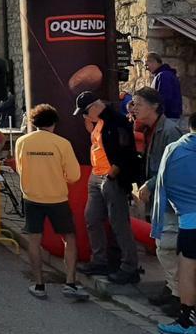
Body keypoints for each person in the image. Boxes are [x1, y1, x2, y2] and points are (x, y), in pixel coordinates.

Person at [15, 104, 88, 300]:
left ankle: (39, 285)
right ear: (54, 123)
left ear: (33, 122)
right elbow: (74, 175)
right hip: (57, 198)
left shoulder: (22, 141)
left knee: (34, 240)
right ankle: (70, 282)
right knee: (69, 238)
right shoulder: (62, 143)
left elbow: (20, 169)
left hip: (31, 197)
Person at [73, 91, 141, 285]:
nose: (85, 117)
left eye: (85, 113)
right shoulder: (101, 121)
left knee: (119, 222)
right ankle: (100, 261)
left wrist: (112, 174)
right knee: (92, 218)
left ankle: (129, 267)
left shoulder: (118, 121)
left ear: (95, 107)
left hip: (112, 177)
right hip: (97, 175)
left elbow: (126, 151)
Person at [131, 87, 185, 311]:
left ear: (154, 106)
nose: (134, 108)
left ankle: (180, 295)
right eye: (133, 104)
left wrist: (149, 184)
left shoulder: (169, 131)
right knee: (164, 245)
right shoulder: (150, 128)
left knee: (167, 246)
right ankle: (172, 288)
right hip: (159, 196)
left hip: (170, 198)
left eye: (138, 104)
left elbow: (170, 166)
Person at [151, 113, 196, 334]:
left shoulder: (175, 150)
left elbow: (163, 184)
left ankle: (187, 322)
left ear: (190, 127)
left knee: (187, 272)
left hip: (188, 222)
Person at [146, 52, 183, 124]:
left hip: (167, 117)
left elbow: (164, 98)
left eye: (147, 65)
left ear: (154, 62)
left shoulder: (163, 75)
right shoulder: (164, 75)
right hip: (169, 117)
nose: (146, 68)